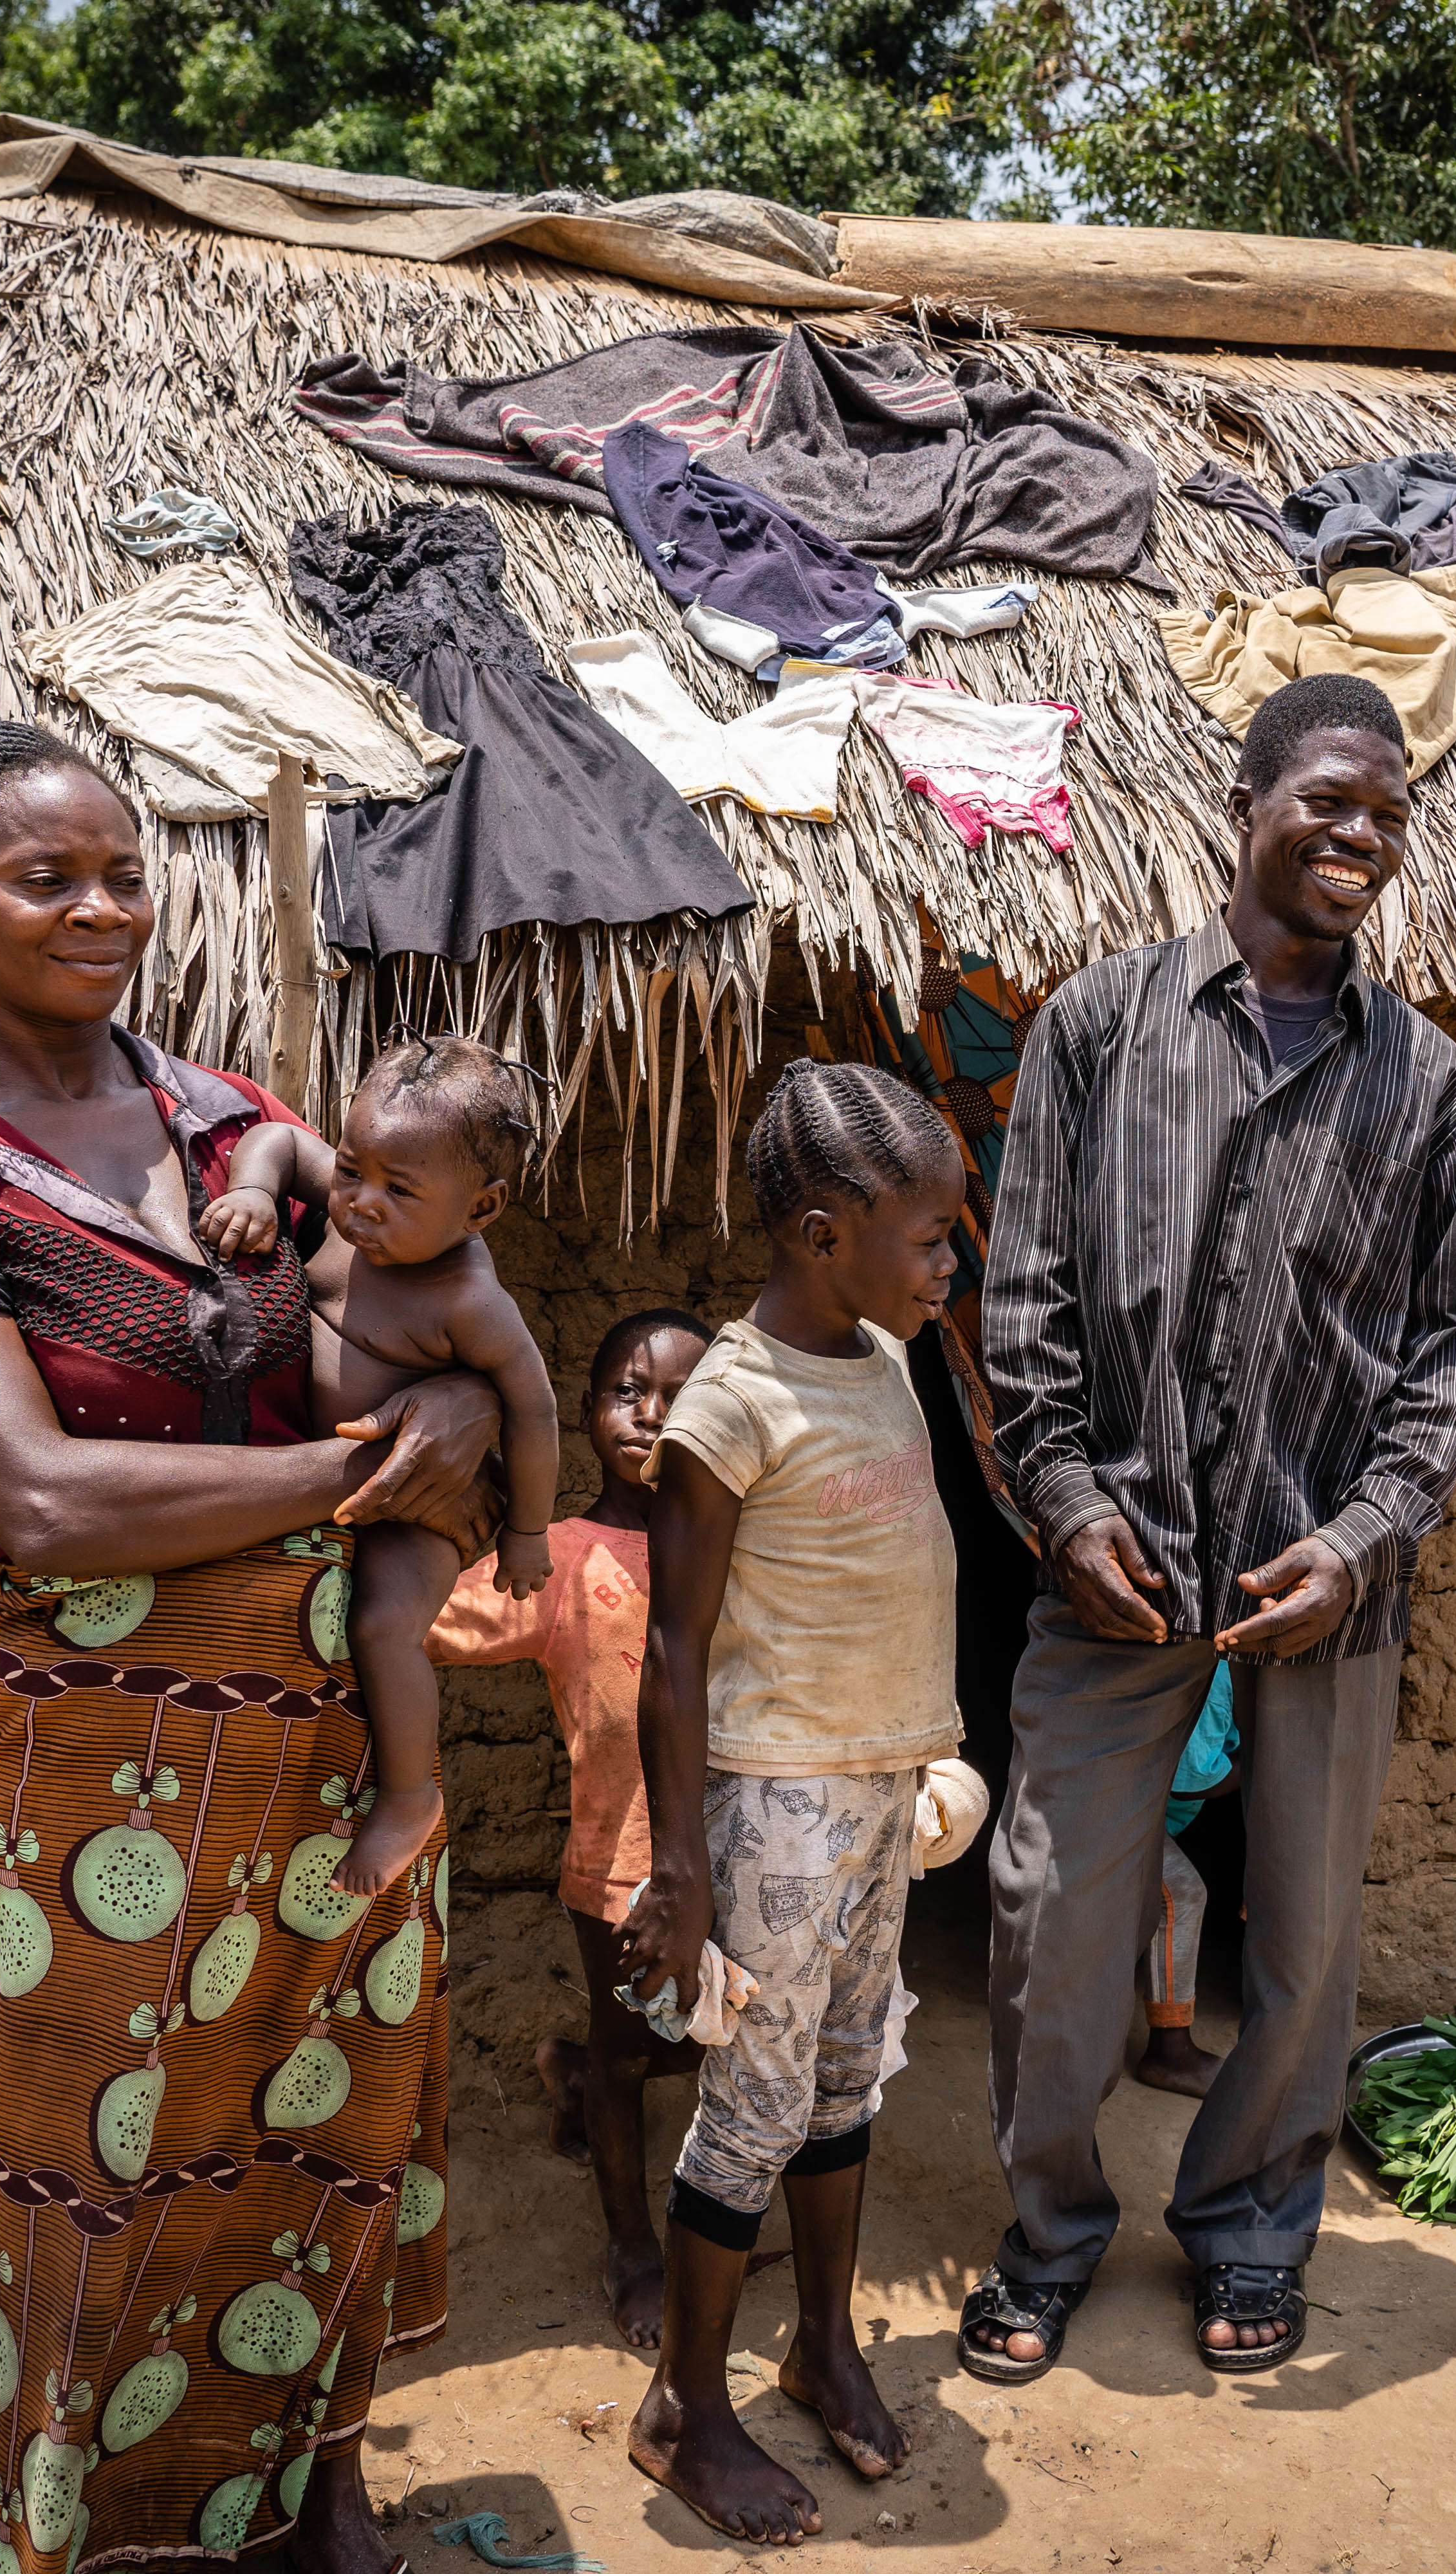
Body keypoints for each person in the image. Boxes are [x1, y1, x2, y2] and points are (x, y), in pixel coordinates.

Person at [0, 721, 503, 2574]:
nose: (102, 907)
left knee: (326, 2134)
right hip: (101, 1767)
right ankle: (82, 2540)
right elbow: (41, 1499)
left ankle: (315, 2494)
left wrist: (459, 1417)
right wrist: (364, 1469)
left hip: (333, 1743)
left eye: (123, 871)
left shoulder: (233, 1114)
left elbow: (408, 1319)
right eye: (47, 877)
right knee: (89, 2174)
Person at [966, 670, 1456, 2384]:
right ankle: (1050, 2233)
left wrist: (1356, 1538)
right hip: (1114, 1571)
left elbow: (1447, 1359)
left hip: (1321, 1590)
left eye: (1389, 814)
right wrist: (1059, 1506)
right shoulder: (1099, 1026)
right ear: (1250, 800)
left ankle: (1253, 2228)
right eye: (1329, 800)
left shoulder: (1431, 1090)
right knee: (1054, 1914)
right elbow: (1024, 1298)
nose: (1361, 835)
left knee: (1307, 1933)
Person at [621, 1061, 968, 2546]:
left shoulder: (887, 1356)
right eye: (930, 1234)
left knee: (845, 2075)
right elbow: (672, 1646)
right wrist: (685, 1863)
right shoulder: (731, 1397)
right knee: (750, 2107)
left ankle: (823, 2342)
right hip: (774, 1809)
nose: (951, 1257)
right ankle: (685, 2409)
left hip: (878, 1786)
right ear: (823, 1234)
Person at [201, 1035, 565, 1894]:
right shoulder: (345, 1208)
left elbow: (536, 1411)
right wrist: (254, 1190)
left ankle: (408, 1796)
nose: (361, 1203)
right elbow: (283, 1143)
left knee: (382, 1626)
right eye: (356, 1170)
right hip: (315, 1482)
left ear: (481, 1211)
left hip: (420, 1503)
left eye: (399, 1193)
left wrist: (528, 1533)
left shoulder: (469, 1301)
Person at [422, 1306, 715, 2349]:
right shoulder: (566, 1558)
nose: (649, 1418)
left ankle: (575, 2073)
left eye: (680, 1400)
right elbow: (436, 1626)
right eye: (627, 1393)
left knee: (711, 2038)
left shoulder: (736, 1547)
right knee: (637, 2049)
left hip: (731, 1854)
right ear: (586, 1414)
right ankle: (633, 2245)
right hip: (620, 1866)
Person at [1134, 1669, 1240, 2100]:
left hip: (1137, 1807)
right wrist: (1262, 1766)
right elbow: (1194, 1776)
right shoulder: (1215, 1665)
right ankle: (1170, 2052)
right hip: (1112, 1805)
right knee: (1179, 1893)